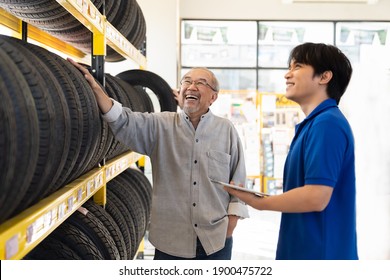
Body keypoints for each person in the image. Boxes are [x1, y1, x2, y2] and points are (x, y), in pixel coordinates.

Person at [68, 58, 249, 260]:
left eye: (200, 83)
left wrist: (230, 226)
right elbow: (123, 120)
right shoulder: (160, 125)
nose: (191, 86)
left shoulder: (227, 130)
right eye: (186, 81)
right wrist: (95, 87)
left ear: (213, 97)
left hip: (215, 242)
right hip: (170, 243)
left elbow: (239, 182)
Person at [224, 42, 358, 260]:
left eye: (297, 67)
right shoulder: (315, 124)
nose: (287, 75)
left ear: (324, 77)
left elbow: (316, 196)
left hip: (320, 257)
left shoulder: (327, 124)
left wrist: (260, 203)